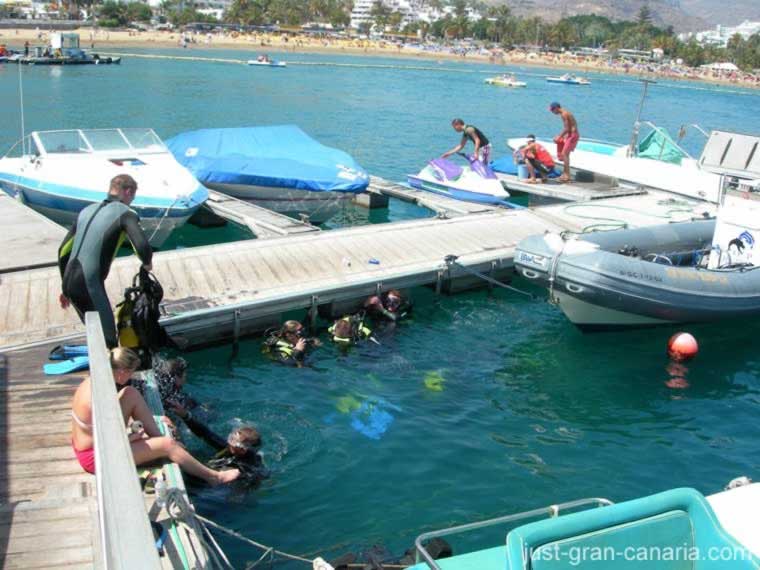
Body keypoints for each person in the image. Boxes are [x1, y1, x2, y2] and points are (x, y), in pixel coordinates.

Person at [71, 347, 239, 485]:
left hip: (93, 443)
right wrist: (134, 437)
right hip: (96, 457)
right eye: (131, 372)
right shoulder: (99, 398)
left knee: (130, 393)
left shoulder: (95, 381)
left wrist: (154, 422)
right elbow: (109, 441)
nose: (132, 376)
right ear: (121, 372)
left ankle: (158, 439)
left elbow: (108, 423)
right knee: (168, 445)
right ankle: (214, 477)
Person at [58, 175, 153, 348]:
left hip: (69, 282)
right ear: (128, 191)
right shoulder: (126, 213)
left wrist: (65, 288)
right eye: (133, 196)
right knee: (109, 338)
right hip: (88, 285)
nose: (132, 201)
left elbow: (63, 251)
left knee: (95, 331)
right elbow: (142, 246)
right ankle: (109, 370)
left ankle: (101, 361)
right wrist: (147, 262)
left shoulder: (86, 211)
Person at [170, 404, 267, 485]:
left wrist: (182, 449)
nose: (229, 442)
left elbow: (207, 476)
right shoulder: (232, 449)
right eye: (231, 438)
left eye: (233, 441)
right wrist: (185, 415)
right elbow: (206, 434)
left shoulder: (244, 468)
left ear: (243, 449)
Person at [549, 102, 579, 183]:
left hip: (572, 135)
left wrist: (559, 136)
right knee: (565, 154)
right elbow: (572, 126)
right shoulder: (566, 112)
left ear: (556, 108)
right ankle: (565, 174)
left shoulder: (564, 114)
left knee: (564, 154)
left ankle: (567, 175)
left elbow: (567, 129)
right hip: (572, 134)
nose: (552, 112)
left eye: (552, 110)